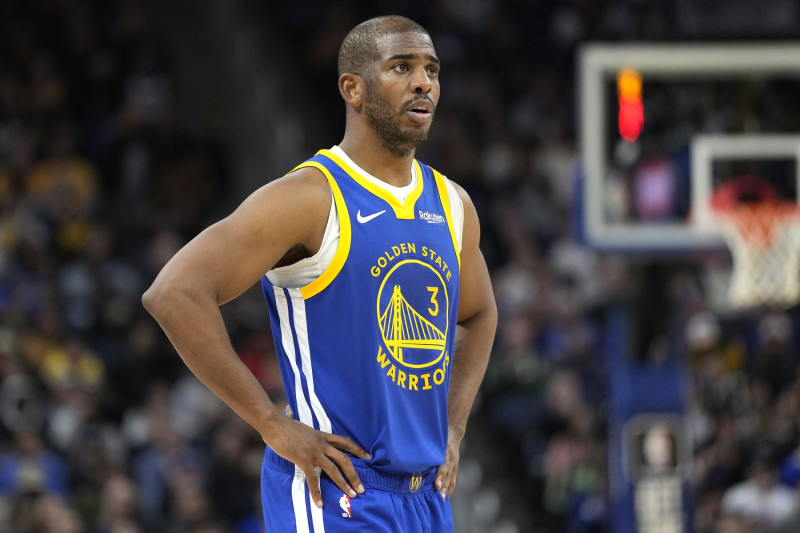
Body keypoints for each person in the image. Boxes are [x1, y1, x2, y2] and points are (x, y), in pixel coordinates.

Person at [142, 14, 497, 533]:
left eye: (432, 69)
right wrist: (270, 423)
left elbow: (480, 312)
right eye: (402, 67)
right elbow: (173, 292)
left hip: (426, 498)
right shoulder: (310, 196)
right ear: (353, 88)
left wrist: (456, 426)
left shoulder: (452, 204)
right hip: (335, 490)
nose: (424, 82)